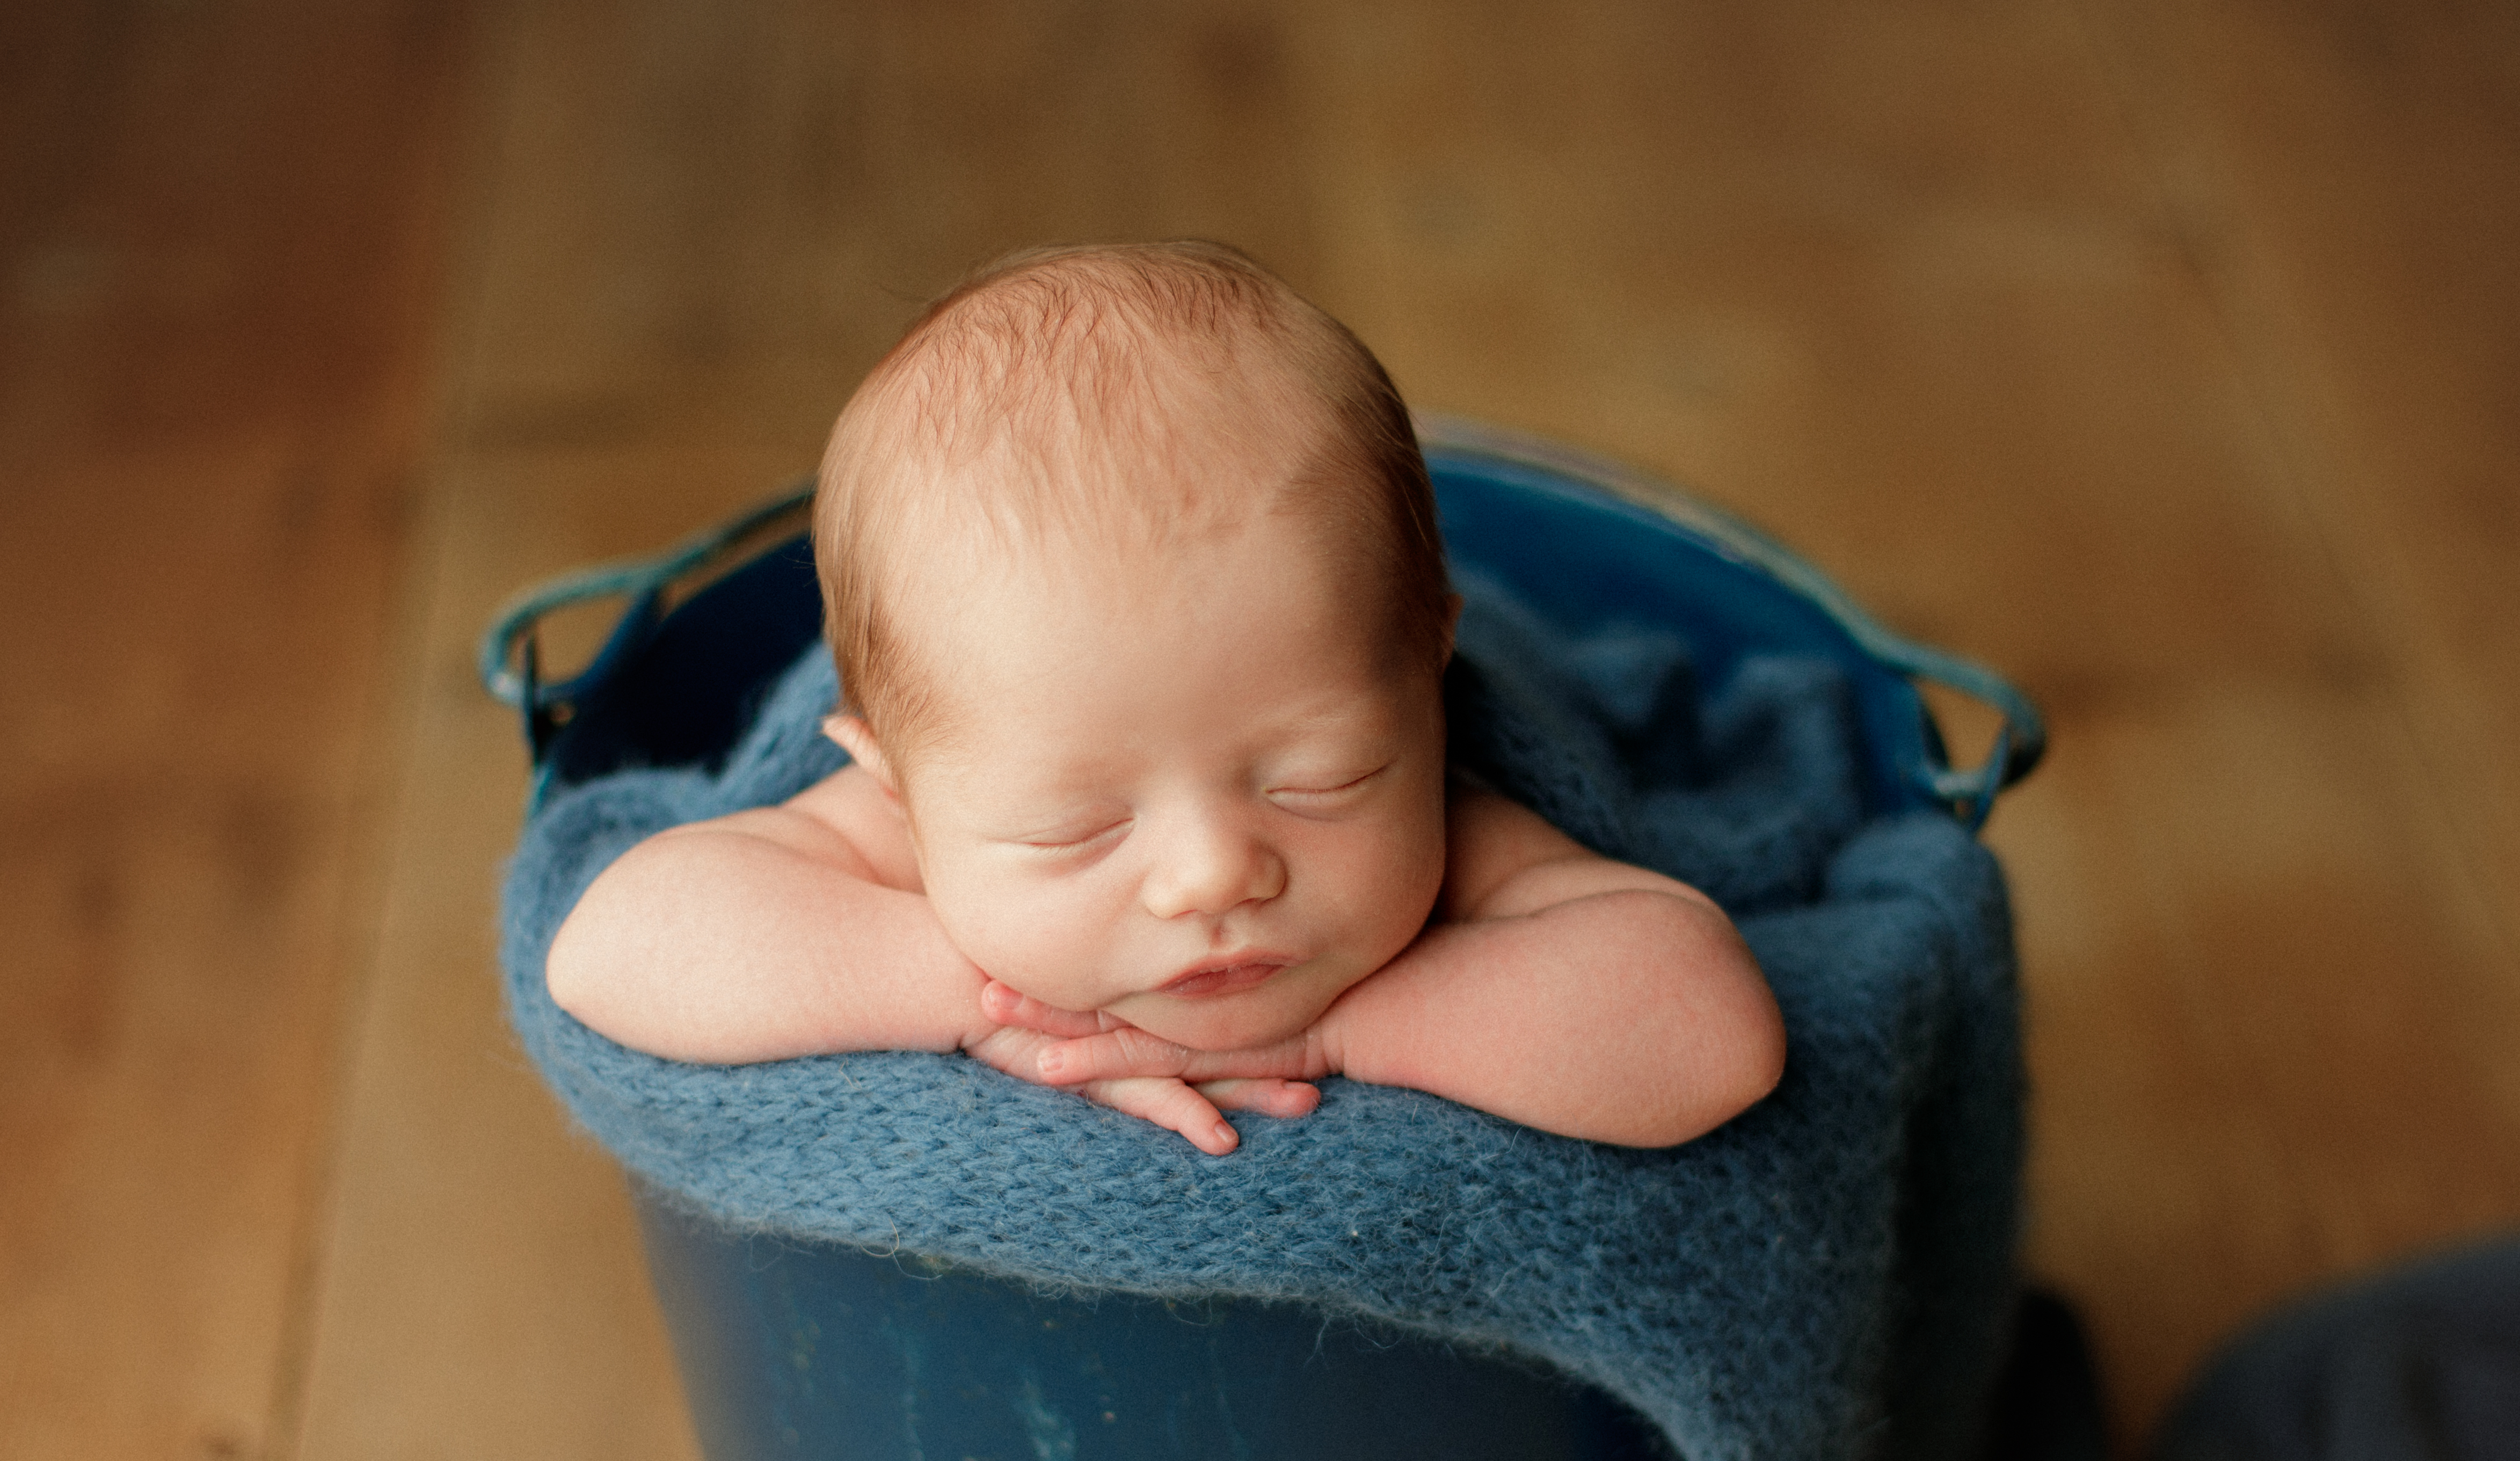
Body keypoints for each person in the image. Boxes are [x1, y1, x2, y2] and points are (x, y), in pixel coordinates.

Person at [545, 241, 1785, 1155]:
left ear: (1427, 683)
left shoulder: (1460, 840)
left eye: (1323, 778)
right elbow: (612, 945)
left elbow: (1710, 1032)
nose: (1211, 876)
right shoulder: (904, 832)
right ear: (898, 784)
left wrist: (1348, 1030)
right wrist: (978, 996)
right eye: (1073, 827)